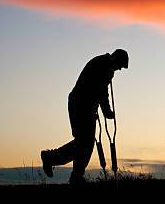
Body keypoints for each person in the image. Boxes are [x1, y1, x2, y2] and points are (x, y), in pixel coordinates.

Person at [40, 49, 129, 184]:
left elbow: (98, 91)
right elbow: (101, 91)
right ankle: (54, 159)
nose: (120, 69)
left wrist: (97, 109)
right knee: (84, 142)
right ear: (116, 59)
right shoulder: (104, 66)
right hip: (80, 104)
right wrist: (106, 111)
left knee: (84, 143)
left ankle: (72, 173)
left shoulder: (105, 65)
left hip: (84, 106)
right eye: (120, 66)